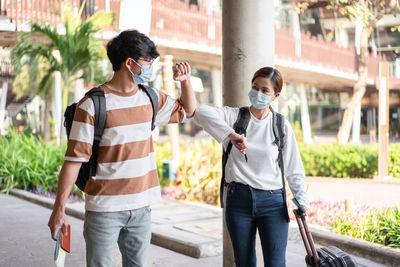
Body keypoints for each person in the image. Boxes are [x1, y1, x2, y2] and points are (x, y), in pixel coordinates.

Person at [48, 29, 196, 267]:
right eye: (148, 62)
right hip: (104, 210)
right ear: (130, 63)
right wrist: (59, 210)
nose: (150, 68)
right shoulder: (92, 105)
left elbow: (187, 110)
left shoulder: (150, 98)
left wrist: (185, 82)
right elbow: (73, 161)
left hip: (141, 209)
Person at [193, 67, 309, 267]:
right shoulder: (234, 116)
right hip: (239, 200)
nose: (258, 93)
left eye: (265, 90)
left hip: (273, 203)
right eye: (255, 87)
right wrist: (231, 135)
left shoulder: (280, 125)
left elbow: (293, 167)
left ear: (276, 95)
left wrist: (302, 200)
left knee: (276, 263)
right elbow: (199, 113)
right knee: (244, 262)